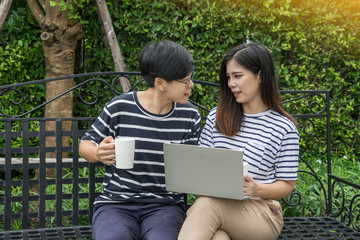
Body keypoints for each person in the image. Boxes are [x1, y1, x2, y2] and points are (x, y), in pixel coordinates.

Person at [79, 40, 201, 240]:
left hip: (166, 206)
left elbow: (192, 168)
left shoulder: (190, 115)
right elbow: (85, 144)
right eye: (185, 81)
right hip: (116, 204)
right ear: (160, 83)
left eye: (190, 78)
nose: (191, 85)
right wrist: (97, 153)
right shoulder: (120, 107)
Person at [177, 42, 299, 240]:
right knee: (218, 237)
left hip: (260, 213)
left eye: (238, 76)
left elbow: (287, 186)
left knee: (207, 205)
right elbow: (200, 167)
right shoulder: (217, 116)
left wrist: (257, 189)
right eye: (228, 77)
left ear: (260, 75)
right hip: (215, 208)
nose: (231, 83)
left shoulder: (283, 128)